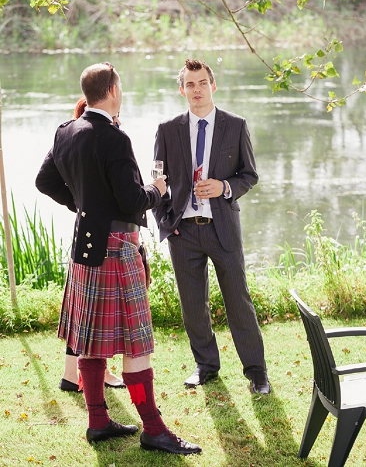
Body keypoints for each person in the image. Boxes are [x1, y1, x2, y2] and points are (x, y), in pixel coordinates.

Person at [36, 62, 200, 454]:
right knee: (136, 344)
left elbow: (44, 181)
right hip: (117, 247)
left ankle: (98, 421)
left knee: (91, 343)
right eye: (120, 85)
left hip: (85, 246)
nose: (121, 91)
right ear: (111, 90)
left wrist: (86, 205)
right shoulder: (113, 138)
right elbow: (132, 200)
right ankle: (154, 430)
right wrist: (157, 189)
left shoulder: (66, 131)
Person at [152, 59, 269, 394]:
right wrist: (166, 223)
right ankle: (206, 366)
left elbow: (250, 175)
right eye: (190, 85)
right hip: (183, 231)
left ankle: (257, 372)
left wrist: (224, 187)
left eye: (202, 83)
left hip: (223, 228)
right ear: (182, 90)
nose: (197, 90)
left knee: (238, 301)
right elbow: (158, 181)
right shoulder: (168, 129)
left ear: (212, 85)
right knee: (192, 306)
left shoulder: (235, 125)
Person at [60, 97, 125, 394]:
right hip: (103, 237)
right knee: (93, 314)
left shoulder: (70, 134)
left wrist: (79, 204)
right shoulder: (106, 137)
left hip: (82, 234)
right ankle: (85, 375)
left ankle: (70, 375)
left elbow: (44, 180)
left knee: (81, 310)